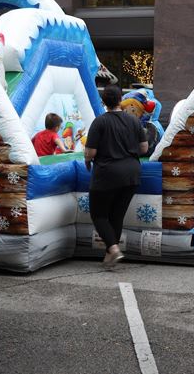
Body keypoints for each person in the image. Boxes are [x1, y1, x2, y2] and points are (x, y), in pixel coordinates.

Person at [84, 85, 148, 268]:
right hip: (132, 174)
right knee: (117, 215)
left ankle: (113, 249)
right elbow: (144, 148)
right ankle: (109, 257)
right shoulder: (134, 121)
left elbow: (91, 152)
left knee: (99, 215)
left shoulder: (100, 122)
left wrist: (88, 157)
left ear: (104, 102)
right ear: (121, 99)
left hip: (107, 174)